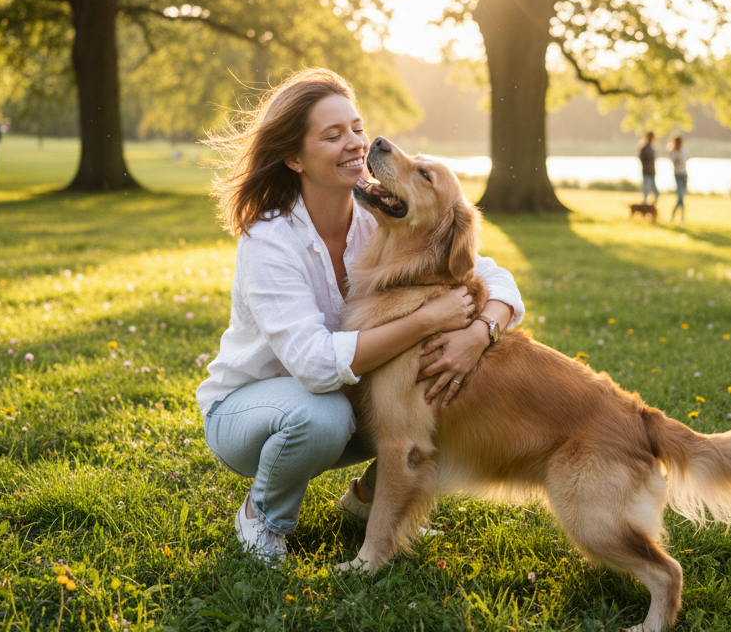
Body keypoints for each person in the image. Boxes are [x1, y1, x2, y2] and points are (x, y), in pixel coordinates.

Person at [196, 68, 524, 564]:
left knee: (424, 395)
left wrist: (480, 332)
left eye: (356, 127)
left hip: (345, 404)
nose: (355, 144)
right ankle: (262, 517)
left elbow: (495, 278)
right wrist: (426, 320)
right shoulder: (269, 240)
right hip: (251, 413)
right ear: (293, 157)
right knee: (322, 415)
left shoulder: (380, 213)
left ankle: (368, 504)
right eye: (332, 135)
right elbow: (315, 366)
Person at [668, 136, 688, 221]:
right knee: (680, 196)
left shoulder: (684, 151)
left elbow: (686, 159)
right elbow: (674, 161)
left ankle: (677, 216)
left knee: (682, 196)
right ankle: (679, 216)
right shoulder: (673, 152)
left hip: (684, 174)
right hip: (678, 175)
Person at [638, 131, 658, 205]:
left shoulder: (652, 148)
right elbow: (642, 159)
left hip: (651, 172)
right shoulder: (645, 148)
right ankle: (645, 207)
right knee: (647, 191)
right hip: (647, 172)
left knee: (655, 193)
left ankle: (650, 208)